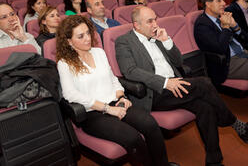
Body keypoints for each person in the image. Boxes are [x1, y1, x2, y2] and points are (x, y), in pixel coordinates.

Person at [115, 5, 248, 166]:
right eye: (149, 21)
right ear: (136, 25)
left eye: (155, 19)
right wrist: (165, 82)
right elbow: (130, 71)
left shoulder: (157, 35)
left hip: (175, 84)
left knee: (205, 108)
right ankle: (238, 126)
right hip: (153, 92)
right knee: (204, 82)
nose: (155, 24)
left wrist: (167, 41)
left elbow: (178, 62)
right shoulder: (124, 42)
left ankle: (214, 161)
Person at [56, 15, 179, 166]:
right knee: (133, 138)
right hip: (93, 113)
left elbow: (113, 79)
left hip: (115, 102)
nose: (87, 38)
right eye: (80, 36)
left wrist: (121, 96)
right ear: (69, 41)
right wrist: (107, 109)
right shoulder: (64, 63)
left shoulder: (98, 53)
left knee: (150, 124)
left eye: (88, 33)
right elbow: (70, 94)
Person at [194, 0, 248, 99]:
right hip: (227, 63)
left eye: (224, 0)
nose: (224, 3)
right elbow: (220, 48)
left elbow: (246, 38)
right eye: (219, 1)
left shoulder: (222, 17)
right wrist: (225, 27)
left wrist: (235, 26)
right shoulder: (202, 25)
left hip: (242, 52)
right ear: (208, 4)